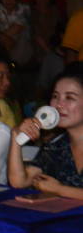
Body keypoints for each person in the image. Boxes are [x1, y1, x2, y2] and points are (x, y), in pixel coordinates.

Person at [7, 64, 83, 197]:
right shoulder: (56, 146)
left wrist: (60, 190)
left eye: (69, 97)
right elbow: (19, 181)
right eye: (55, 96)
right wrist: (16, 138)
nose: (59, 104)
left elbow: (55, 188)